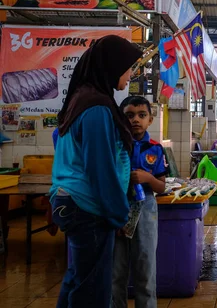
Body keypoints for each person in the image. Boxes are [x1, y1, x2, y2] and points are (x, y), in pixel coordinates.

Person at [50, 35, 142, 308]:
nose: (131, 74)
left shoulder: (83, 98)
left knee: (79, 279)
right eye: (128, 67)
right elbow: (101, 169)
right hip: (87, 206)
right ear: (112, 66)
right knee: (93, 291)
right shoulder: (96, 108)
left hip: (74, 201)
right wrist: (118, 214)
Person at [112, 96, 168, 308]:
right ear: (121, 118)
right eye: (129, 115)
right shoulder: (115, 146)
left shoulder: (155, 148)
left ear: (150, 120)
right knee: (116, 269)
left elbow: (161, 187)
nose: (136, 120)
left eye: (142, 115)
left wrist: (148, 178)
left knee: (145, 266)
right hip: (118, 207)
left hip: (145, 209)